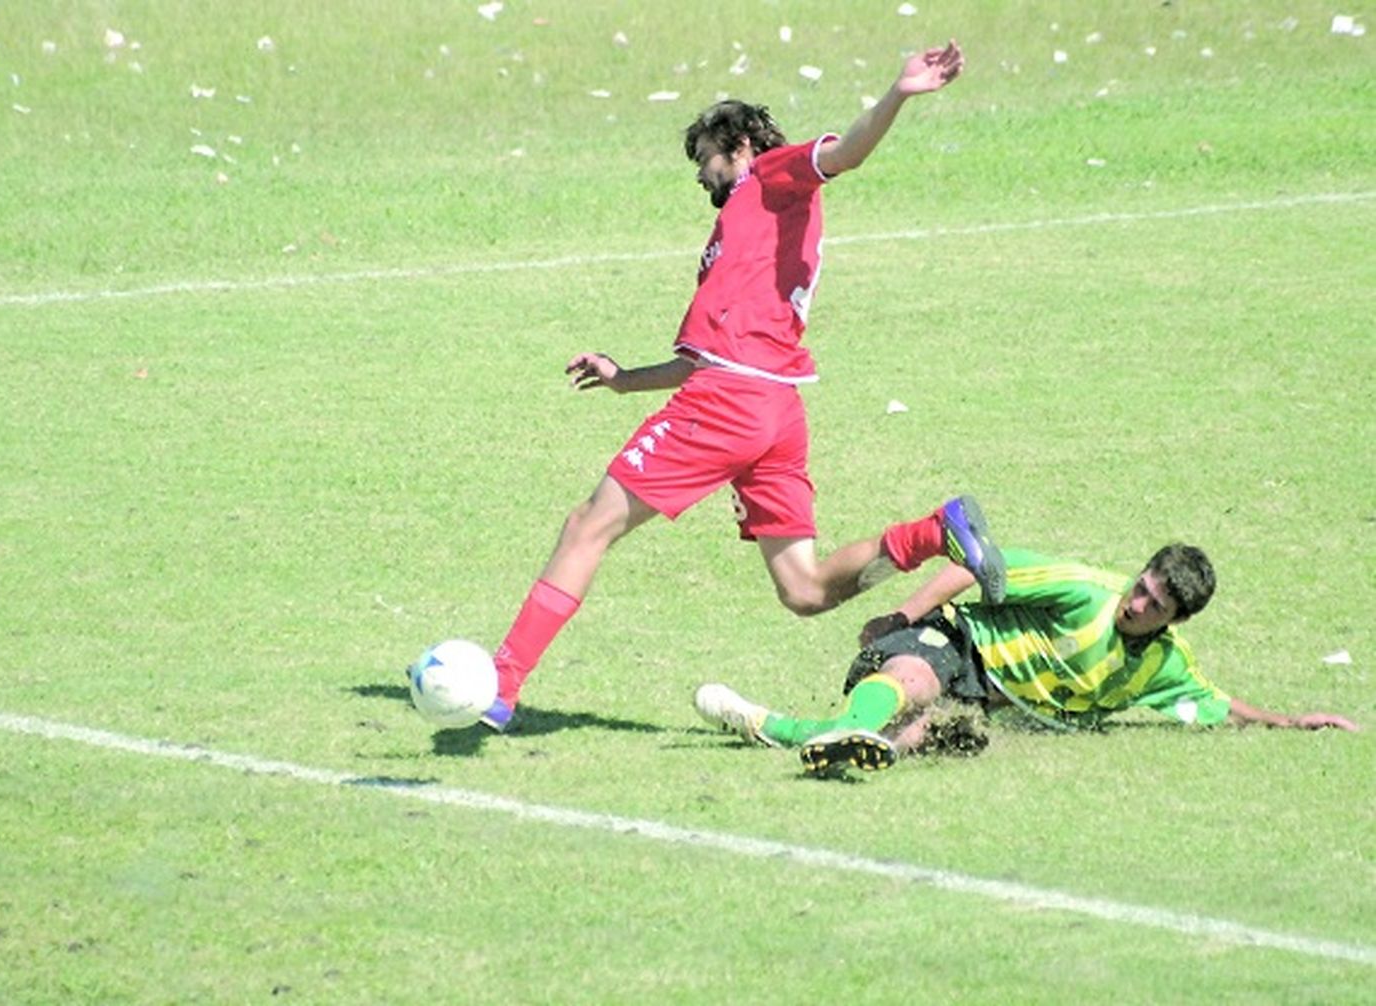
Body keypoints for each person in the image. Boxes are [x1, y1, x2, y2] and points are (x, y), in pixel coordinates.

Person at [481, 42, 970, 732]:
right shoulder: (746, 232)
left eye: (705, 159)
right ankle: (934, 532)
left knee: (587, 526)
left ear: (738, 147)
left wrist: (901, 92)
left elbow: (846, 154)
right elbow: (696, 360)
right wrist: (626, 381)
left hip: (730, 403)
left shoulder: (768, 178)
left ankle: (500, 684)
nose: (701, 176)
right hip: (774, 406)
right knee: (804, 590)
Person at [695, 538, 1362, 776]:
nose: (1136, 605)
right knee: (913, 683)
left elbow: (1215, 705)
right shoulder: (1084, 590)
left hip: (986, 702)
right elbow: (972, 568)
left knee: (914, 736)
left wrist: (1290, 721)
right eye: (1141, 588)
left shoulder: (1164, 668)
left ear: (1175, 621)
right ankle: (812, 729)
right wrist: (902, 616)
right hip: (958, 640)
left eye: (1154, 606)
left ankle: (781, 729)